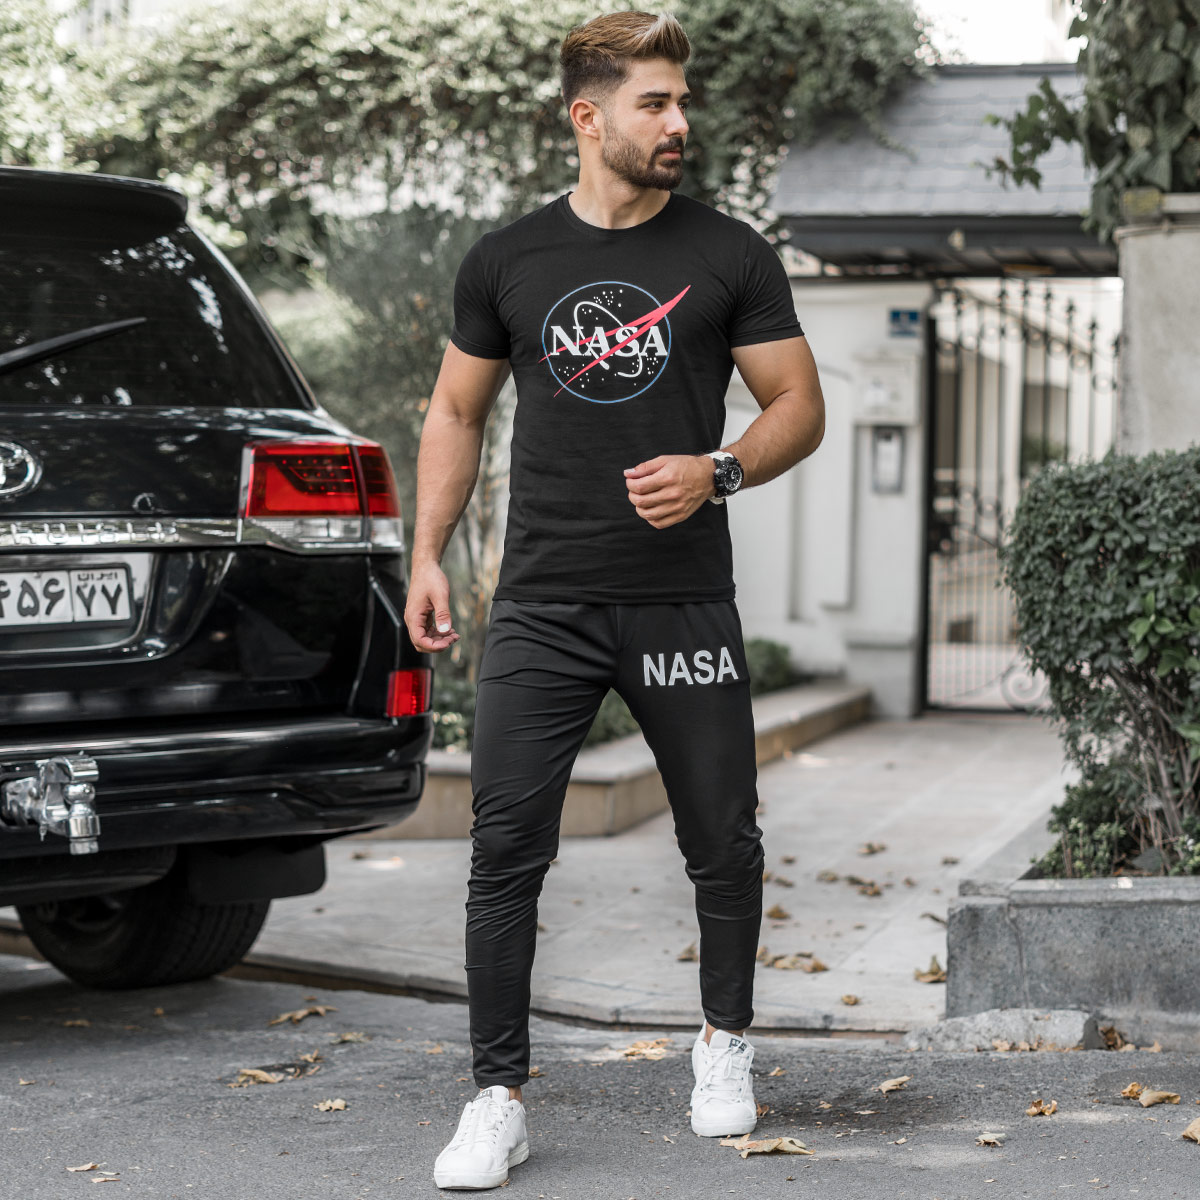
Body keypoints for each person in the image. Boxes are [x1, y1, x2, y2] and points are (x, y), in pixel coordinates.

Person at [403, 10, 825, 1190]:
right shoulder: (508, 259)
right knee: (504, 848)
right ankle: (497, 1097)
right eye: (656, 103)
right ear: (588, 117)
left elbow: (799, 403)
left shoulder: (729, 254)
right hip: (544, 602)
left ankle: (723, 1042)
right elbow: (455, 410)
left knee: (723, 838)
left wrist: (719, 470)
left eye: (683, 100)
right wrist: (427, 553)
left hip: (681, 600)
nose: (680, 121)